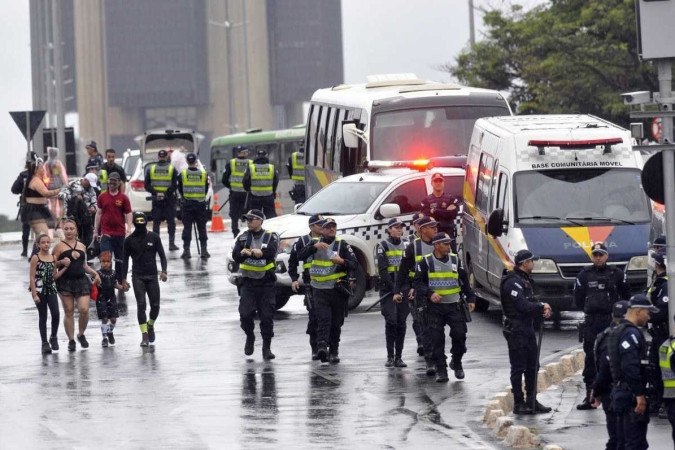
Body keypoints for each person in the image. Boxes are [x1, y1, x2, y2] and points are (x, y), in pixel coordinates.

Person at [413, 232, 476, 382]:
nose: (449, 246)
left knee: (460, 335)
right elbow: (417, 283)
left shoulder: (455, 260)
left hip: (454, 306)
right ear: (436, 245)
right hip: (435, 308)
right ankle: (442, 370)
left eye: (449, 243)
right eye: (445, 244)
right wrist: (429, 293)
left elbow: (464, 280)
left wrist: (471, 298)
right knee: (436, 340)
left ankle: (457, 362)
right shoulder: (426, 262)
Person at [575, 242, 630, 410]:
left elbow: (626, 295)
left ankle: (613, 396)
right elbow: (578, 298)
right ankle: (590, 396)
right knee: (591, 358)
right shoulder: (584, 274)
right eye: (595, 255)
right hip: (592, 322)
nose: (598, 258)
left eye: (601, 254)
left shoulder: (617, 274)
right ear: (592, 257)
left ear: (606, 256)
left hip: (610, 322)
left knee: (613, 357)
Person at [298, 217, 358, 363]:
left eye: (333, 226)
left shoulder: (342, 245)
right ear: (322, 230)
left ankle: (334, 351)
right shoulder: (314, 243)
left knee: (336, 322)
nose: (331, 229)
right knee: (323, 319)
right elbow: (300, 255)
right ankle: (322, 347)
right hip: (319, 289)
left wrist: (342, 261)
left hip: (337, 289)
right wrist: (314, 247)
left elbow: (354, 264)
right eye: (328, 227)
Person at [500, 249, 553, 413]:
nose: (533, 264)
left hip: (527, 327)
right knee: (518, 367)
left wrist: (543, 306)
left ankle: (532, 400)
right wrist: (540, 307)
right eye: (531, 261)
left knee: (533, 365)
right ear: (524, 263)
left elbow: (533, 300)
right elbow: (521, 305)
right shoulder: (512, 281)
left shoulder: (525, 280)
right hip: (516, 329)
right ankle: (518, 403)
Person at [607, 294, 657, 449]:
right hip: (630, 396)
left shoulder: (617, 331)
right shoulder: (630, 333)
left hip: (620, 392)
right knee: (635, 443)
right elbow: (630, 366)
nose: (649, 317)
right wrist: (640, 395)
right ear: (638, 311)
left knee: (623, 442)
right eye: (647, 312)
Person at [231, 209, 279, 360]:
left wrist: (261, 253)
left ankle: (266, 347)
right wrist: (243, 254)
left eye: (252, 219)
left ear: (260, 221)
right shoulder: (243, 237)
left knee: (266, 317)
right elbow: (235, 256)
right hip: (248, 284)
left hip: (266, 284)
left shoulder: (270, 236)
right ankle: (250, 336)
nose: (249, 222)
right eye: (247, 219)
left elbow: (271, 252)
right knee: (245, 315)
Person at [396, 216, 437, 375]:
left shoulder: (440, 245)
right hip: (418, 291)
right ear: (422, 230)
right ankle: (430, 361)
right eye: (431, 226)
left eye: (435, 226)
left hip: (439, 292)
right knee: (423, 325)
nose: (435, 229)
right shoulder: (413, 247)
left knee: (438, 329)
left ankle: (440, 359)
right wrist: (398, 290)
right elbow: (403, 271)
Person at [53, 218, 101, 352]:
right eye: (66, 229)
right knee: (68, 311)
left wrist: (94, 273)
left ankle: (81, 334)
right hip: (65, 282)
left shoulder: (82, 246)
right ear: (63, 230)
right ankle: (71, 340)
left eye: (71, 229)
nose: (69, 231)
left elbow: (84, 265)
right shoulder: (58, 247)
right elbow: (51, 264)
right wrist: (62, 261)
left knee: (84, 309)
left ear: (76, 230)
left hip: (81, 280)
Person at [120, 212, 167, 347]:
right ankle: (144, 335)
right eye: (137, 222)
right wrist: (123, 279)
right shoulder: (128, 241)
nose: (140, 224)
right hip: (137, 276)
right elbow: (124, 262)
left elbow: (162, 256)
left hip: (152, 276)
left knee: (156, 306)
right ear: (134, 223)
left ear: (146, 222)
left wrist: (164, 271)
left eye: (143, 221)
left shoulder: (154, 237)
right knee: (141, 305)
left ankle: (150, 324)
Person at [590, 300, 630, 449]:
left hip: (608, 391)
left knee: (615, 436)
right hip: (618, 392)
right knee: (621, 439)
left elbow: (600, 369)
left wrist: (596, 391)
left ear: (613, 316)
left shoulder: (603, 336)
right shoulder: (622, 336)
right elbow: (606, 369)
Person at [288, 214, 324, 359]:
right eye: (318, 224)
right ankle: (315, 347)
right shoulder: (302, 241)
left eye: (323, 224)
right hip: (311, 283)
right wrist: (294, 279)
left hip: (329, 282)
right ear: (311, 227)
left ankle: (327, 346)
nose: (322, 227)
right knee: (314, 316)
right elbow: (294, 260)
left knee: (327, 317)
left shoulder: (328, 238)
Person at [376, 218, 410, 368]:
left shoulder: (407, 245)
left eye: (400, 227)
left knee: (401, 323)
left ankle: (398, 357)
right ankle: (390, 356)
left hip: (403, 288)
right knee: (391, 321)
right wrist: (393, 290)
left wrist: (405, 288)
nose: (399, 229)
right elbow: (383, 271)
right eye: (395, 227)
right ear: (389, 230)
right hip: (388, 289)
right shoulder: (382, 246)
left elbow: (411, 267)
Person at [29, 234, 68, 354]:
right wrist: (34, 294)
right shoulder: (36, 258)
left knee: (56, 313)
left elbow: (54, 276)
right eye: (43, 242)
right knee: (43, 316)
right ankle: (44, 342)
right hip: (40, 291)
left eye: (48, 242)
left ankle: (54, 337)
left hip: (51, 289)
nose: (46, 244)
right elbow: (31, 278)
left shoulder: (53, 258)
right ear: (38, 245)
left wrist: (64, 268)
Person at [94, 171, 132, 280]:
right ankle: (107, 280)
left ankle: (120, 280)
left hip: (120, 234)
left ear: (119, 183)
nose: (112, 184)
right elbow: (99, 213)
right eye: (110, 182)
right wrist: (96, 231)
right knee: (106, 258)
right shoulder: (102, 196)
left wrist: (128, 229)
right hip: (106, 234)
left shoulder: (123, 198)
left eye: (114, 182)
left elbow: (128, 213)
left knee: (120, 259)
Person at [646, 251, 669, 414]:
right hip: (657, 333)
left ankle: (664, 403)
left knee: (664, 370)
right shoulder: (658, 282)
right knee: (654, 367)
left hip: (665, 333)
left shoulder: (667, 285)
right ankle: (656, 401)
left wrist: (644, 315)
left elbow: (662, 311)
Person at [145, 149, 179, 250]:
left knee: (156, 222)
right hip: (168, 199)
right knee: (171, 222)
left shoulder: (151, 169)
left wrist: (156, 193)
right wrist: (166, 193)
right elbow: (174, 185)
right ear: (166, 157)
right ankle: (171, 244)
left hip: (156, 200)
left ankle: (156, 245)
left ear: (158, 157)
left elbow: (146, 185)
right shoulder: (172, 169)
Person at [178, 152, 210, 259]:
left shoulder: (182, 174)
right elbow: (205, 189)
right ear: (196, 161)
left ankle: (186, 251)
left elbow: (180, 190)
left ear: (187, 161)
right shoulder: (203, 174)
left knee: (187, 228)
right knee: (202, 227)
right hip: (200, 204)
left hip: (187, 204)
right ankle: (204, 251)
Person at [94, 251, 126, 347]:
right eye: (103, 262)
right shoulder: (97, 273)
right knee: (104, 318)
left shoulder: (113, 273)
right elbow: (93, 284)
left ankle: (110, 331)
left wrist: (122, 287)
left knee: (113, 319)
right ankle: (104, 338)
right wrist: (95, 282)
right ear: (100, 262)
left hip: (111, 298)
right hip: (101, 298)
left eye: (108, 261)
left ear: (111, 262)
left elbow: (115, 284)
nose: (106, 263)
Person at [420, 172, 461, 242]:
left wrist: (435, 211)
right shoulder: (426, 201)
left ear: (444, 183)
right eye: (435, 181)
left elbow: (452, 215)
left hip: (448, 234)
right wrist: (445, 211)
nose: (438, 183)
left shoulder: (451, 199)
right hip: (433, 235)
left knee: (451, 253)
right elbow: (426, 217)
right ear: (431, 183)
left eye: (440, 181)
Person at [222, 145, 251, 237]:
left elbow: (224, 179)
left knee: (234, 214)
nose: (247, 153)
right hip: (246, 194)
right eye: (246, 152)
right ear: (244, 152)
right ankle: (249, 232)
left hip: (234, 193)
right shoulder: (251, 163)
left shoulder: (231, 163)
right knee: (248, 213)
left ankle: (235, 233)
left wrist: (231, 187)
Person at [243, 149, 279, 219]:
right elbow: (276, 181)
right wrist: (273, 191)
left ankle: (257, 229)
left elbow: (245, 181)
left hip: (254, 196)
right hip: (268, 196)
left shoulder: (251, 167)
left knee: (255, 217)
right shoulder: (272, 167)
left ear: (256, 156)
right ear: (266, 156)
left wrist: (249, 190)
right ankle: (270, 229)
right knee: (270, 216)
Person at [11, 161, 31, 256]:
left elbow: (14, 189)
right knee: (40, 229)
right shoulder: (40, 174)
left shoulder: (23, 175)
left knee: (26, 228)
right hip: (40, 205)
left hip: (26, 204)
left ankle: (25, 250)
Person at [44, 147, 69, 219]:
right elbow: (59, 174)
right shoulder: (56, 163)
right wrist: (66, 184)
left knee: (52, 204)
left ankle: (54, 220)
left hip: (50, 185)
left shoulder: (46, 163)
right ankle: (60, 220)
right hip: (58, 185)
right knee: (61, 204)